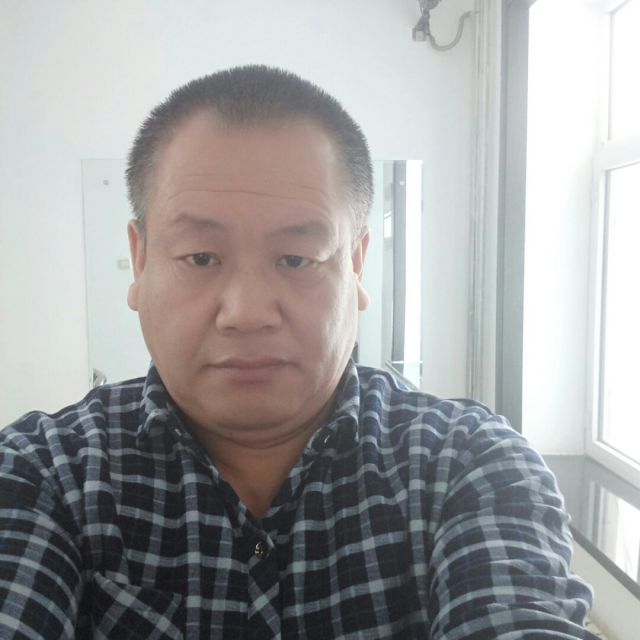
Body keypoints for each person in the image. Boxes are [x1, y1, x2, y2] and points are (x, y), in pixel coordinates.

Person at [0, 65, 597, 639]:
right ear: (140, 261)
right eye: (201, 257)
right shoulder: (45, 474)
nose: (247, 312)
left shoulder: (466, 466)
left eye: (296, 259)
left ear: (356, 264)